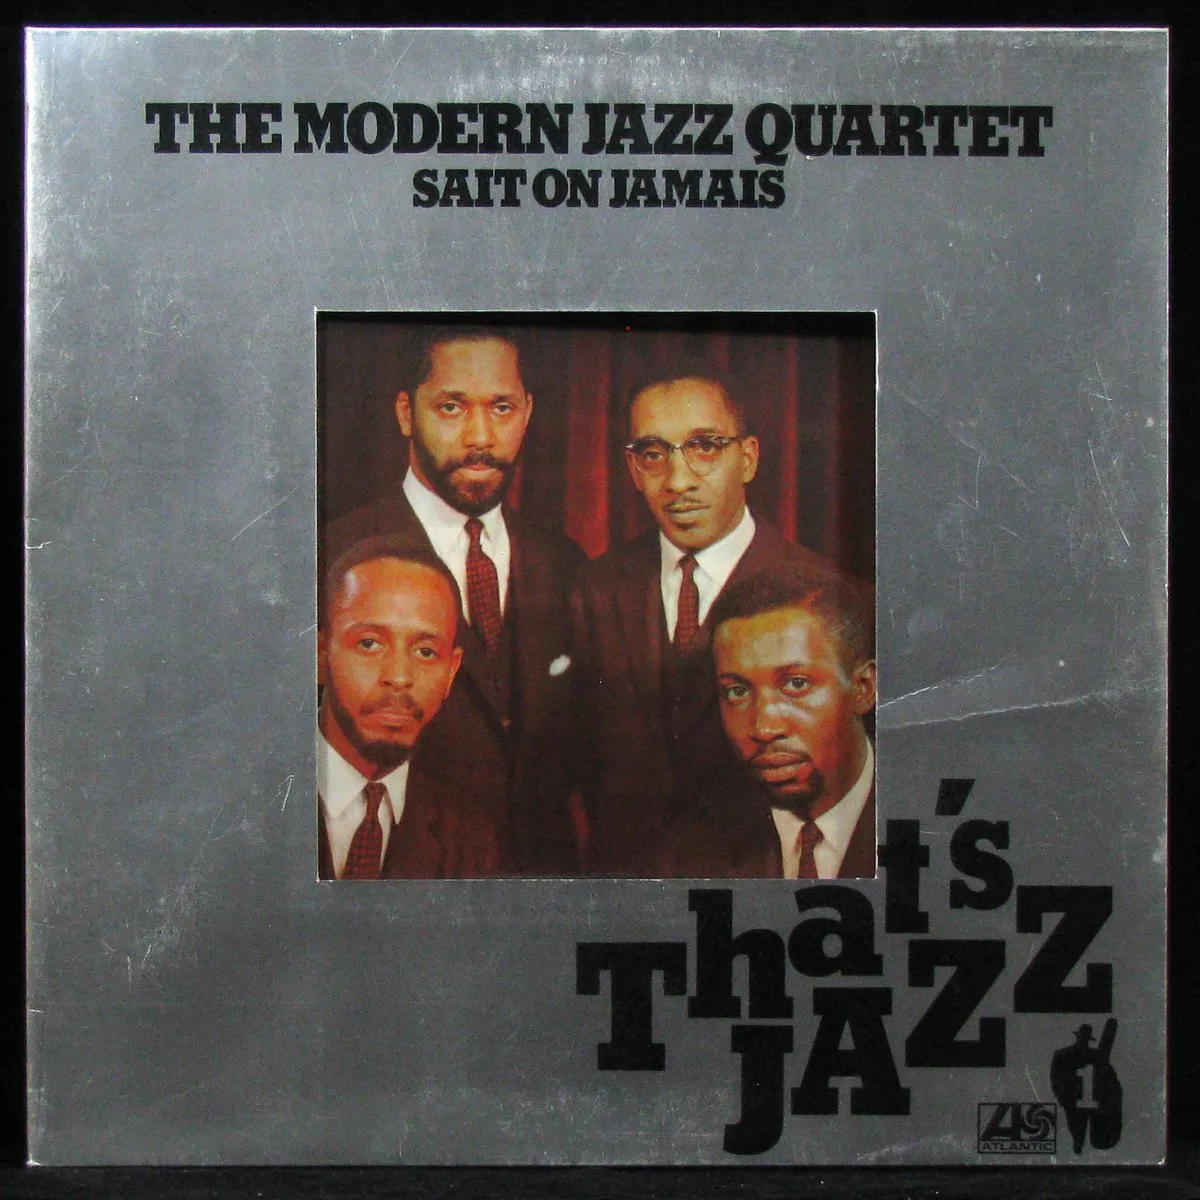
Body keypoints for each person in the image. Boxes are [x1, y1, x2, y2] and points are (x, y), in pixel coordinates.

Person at [323, 327, 586, 875]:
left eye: (502, 408)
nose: (480, 436)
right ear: (405, 413)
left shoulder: (566, 564)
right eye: (452, 407)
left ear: (528, 412)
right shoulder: (329, 554)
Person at [571, 362, 831, 875]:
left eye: (705, 447)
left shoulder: (823, 594)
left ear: (748, 458)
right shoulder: (594, 588)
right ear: (633, 469)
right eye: (653, 454)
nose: (678, 481)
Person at [659, 563, 876, 878]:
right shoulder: (688, 850)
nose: (764, 728)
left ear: (863, 689)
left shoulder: (926, 822)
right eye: (737, 691)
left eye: (796, 684)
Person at [318, 536, 503, 879]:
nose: (400, 677)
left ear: (451, 672)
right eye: (369, 643)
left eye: (426, 652)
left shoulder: (471, 837)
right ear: (320, 653)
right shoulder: (248, 799)